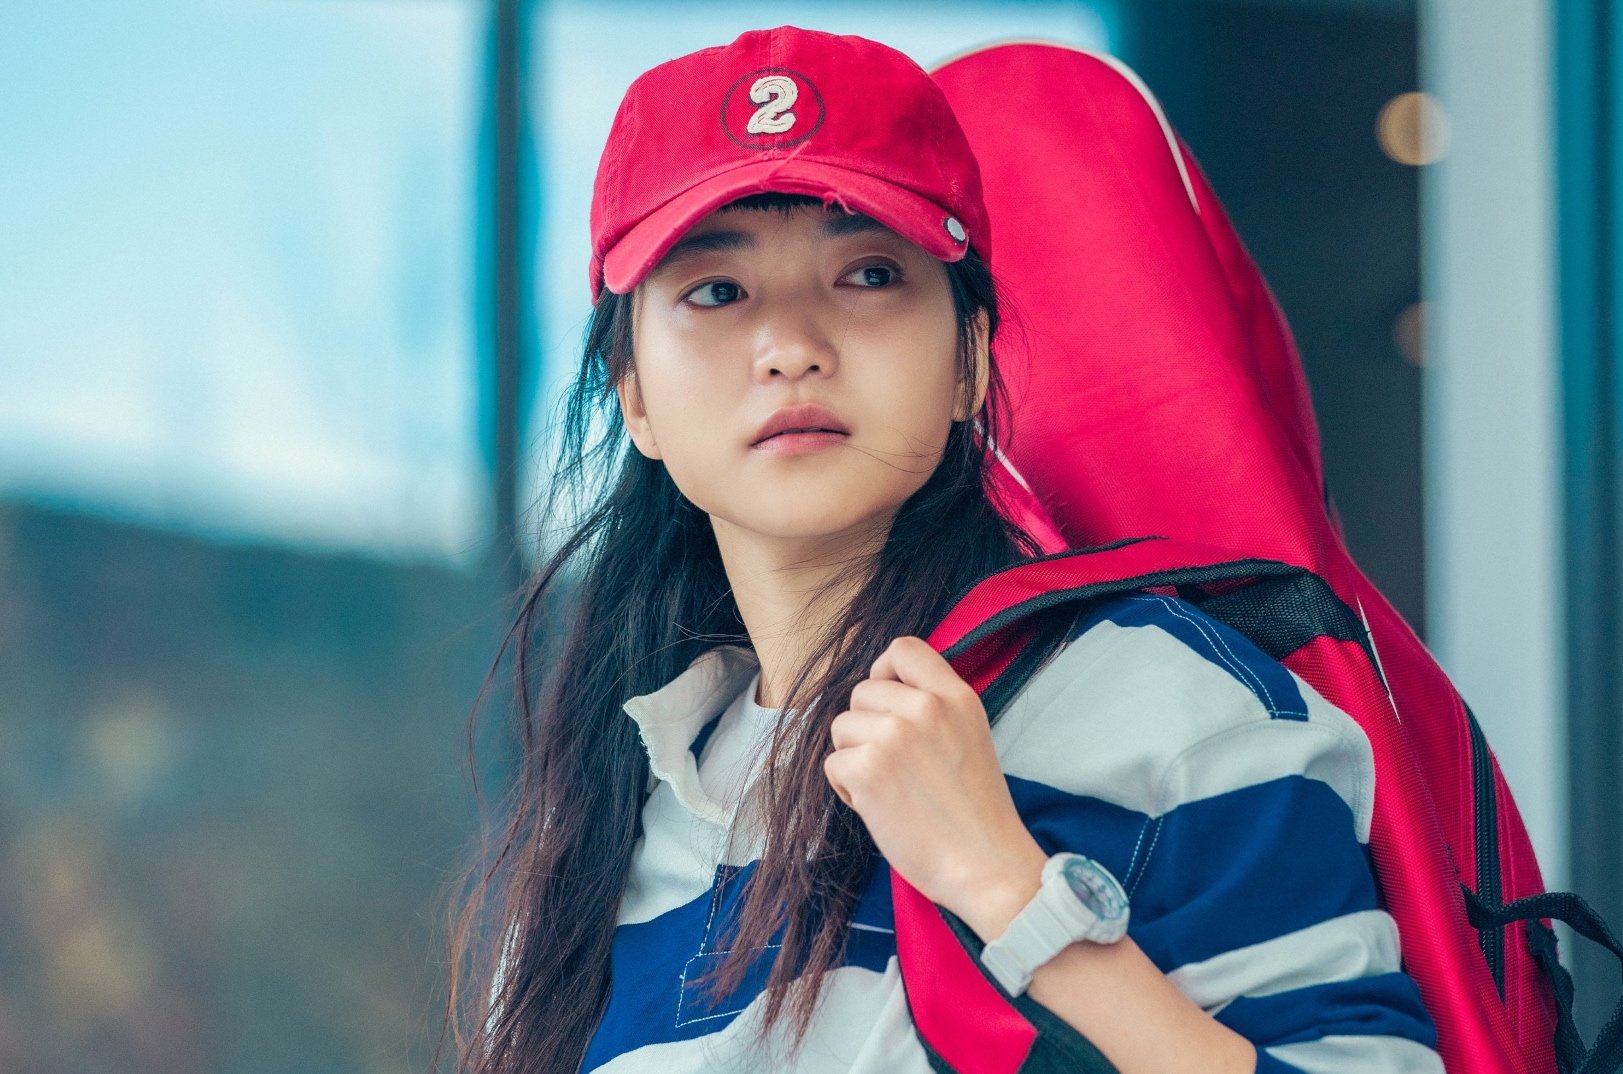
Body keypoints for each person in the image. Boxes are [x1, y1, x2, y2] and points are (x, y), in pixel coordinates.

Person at [448, 25, 1444, 1074]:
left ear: (970, 358)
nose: (791, 347)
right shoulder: (605, 834)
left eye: (869, 274)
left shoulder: (1164, 708)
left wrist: (1006, 887)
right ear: (635, 399)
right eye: (717, 292)